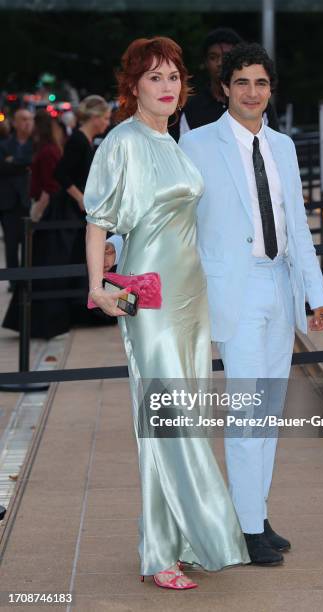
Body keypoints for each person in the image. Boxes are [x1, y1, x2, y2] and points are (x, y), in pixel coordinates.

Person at [108, 43, 323, 567]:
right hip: (233, 289)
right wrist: (118, 250)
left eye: (261, 83)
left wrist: (314, 293)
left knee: (269, 410)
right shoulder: (198, 143)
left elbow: (296, 225)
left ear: (270, 91)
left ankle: (253, 512)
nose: (252, 92)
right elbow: (159, 200)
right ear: (224, 89)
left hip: (279, 284)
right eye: (242, 83)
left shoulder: (283, 147)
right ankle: (248, 529)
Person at [84, 37, 249, 590]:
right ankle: (169, 546)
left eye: (174, 76)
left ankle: (176, 542)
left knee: (184, 416)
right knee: (165, 418)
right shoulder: (122, 142)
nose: (168, 85)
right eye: (154, 77)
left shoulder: (175, 141)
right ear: (133, 87)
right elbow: (99, 218)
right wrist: (98, 283)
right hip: (149, 294)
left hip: (190, 295)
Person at [2, 110, 68, 338]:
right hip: (24, 208)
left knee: (36, 267)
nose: (29, 127)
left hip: (42, 215)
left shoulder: (46, 151)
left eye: (32, 123)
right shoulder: (44, 149)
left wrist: (36, 214)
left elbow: (49, 188)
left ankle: (40, 322)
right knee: (20, 255)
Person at [54, 95, 111, 325]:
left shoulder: (86, 140)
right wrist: (80, 198)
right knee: (77, 257)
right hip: (70, 211)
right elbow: (60, 173)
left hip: (80, 211)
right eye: (106, 118)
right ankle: (80, 311)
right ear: (95, 118)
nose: (107, 123)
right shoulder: (78, 140)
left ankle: (85, 310)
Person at [171, 27, 279, 141]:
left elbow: (274, 147)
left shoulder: (257, 105)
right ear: (205, 62)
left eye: (226, 56)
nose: (220, 62)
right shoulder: (190, 108)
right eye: (213, 57)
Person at [0, 108, 33, 289]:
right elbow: (3, 168)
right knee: (12, 245)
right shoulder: (4, 145)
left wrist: (14, 161)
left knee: (29, 244)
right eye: (23, 119)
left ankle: (26, 280)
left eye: (29, 119)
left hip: (29, 201)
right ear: (14, 122)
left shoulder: (36, 144)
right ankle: (14, 282)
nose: (27, 123)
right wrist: (24, 164)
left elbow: (33, 161)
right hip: (9, 203)